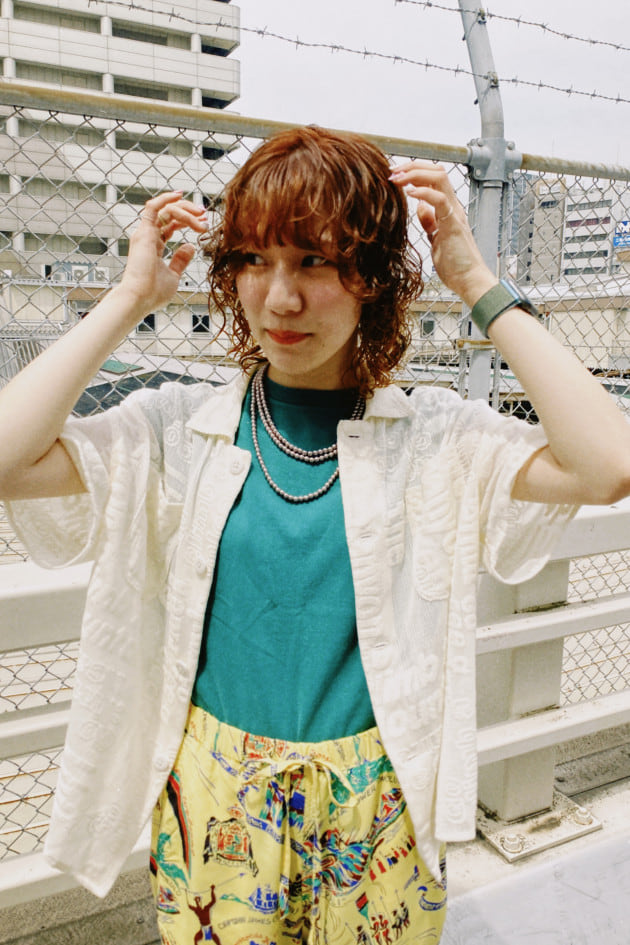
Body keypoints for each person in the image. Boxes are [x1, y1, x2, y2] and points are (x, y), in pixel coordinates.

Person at [1, 125, 630, 945]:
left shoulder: (434, 439)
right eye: (254, 260)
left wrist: (476, 280)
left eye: (316, 261)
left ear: (373, 278)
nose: (280, 299)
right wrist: (127, 300)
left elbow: (608, 465)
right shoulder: (174, 430)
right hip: (216, 800)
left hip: (380, 800)